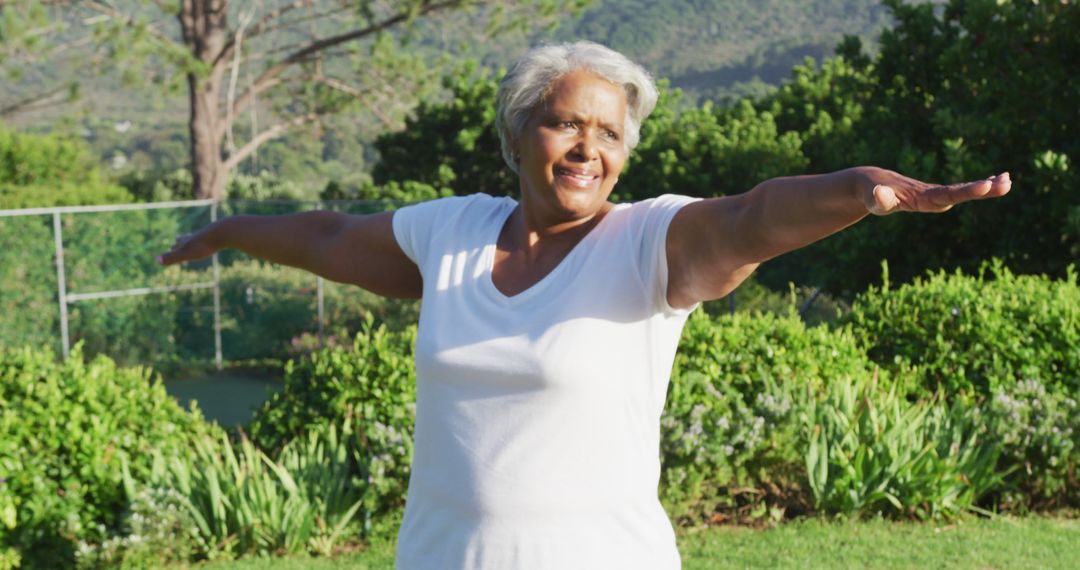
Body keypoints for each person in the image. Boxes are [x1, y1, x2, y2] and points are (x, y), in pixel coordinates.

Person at [158, 41, 1011, 569]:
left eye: (609, 134)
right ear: (521, 134)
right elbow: (328, 237)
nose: (588, 148)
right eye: (567, 125)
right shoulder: (451, 233)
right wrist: (230, 229)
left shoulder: (649, 243)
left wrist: (859, 189)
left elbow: (753, 217)